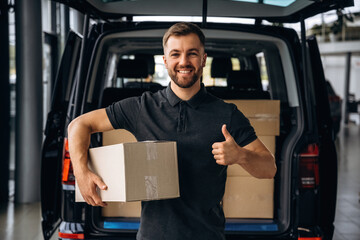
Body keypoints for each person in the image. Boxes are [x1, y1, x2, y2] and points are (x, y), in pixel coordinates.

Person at [68, 22, 276, 240]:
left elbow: (269, 168)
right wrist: (81, 174)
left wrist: (241, 155)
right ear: (165, 60)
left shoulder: (227, 114)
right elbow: (78, 126)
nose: (184, 62)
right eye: (175, 54)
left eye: (192, 53)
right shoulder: (141, 108)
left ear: (204, 59)